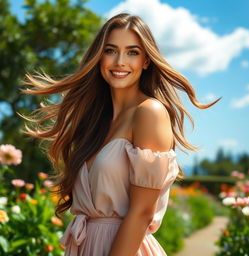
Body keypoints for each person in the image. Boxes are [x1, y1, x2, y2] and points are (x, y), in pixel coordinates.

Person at [22, 13, 220, 256]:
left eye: (133, 52)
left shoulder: (150, 113)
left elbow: (142, 213)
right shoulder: (96, 122)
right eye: (111, 50)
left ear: (146, 61)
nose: (120, 61)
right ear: (99, 57)